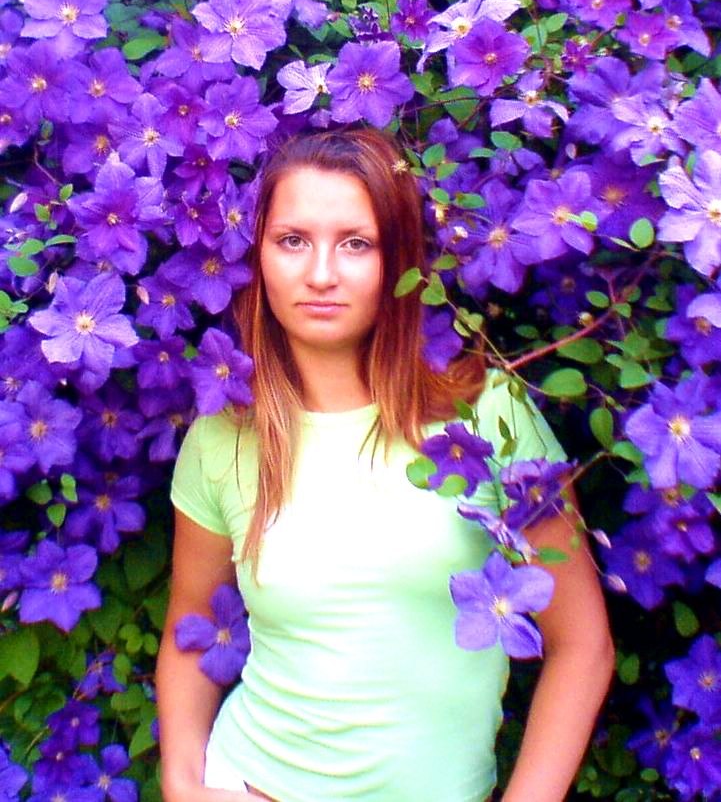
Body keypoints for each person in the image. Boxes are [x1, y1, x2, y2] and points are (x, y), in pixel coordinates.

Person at [157, 127, 614, 802]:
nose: (320, 274)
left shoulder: (487, 415)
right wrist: (181, 783)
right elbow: (191, 627)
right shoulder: (224, 436)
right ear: (259, 257)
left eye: (355, 243)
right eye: (292, 240)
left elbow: (581, 646)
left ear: (398, 259)